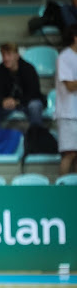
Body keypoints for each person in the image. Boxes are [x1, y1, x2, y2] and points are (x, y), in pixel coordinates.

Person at [0, 42, 44, 132]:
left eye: (8, 55)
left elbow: (34, 92)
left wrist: (17, 101)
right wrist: (3, 101)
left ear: (17, 55)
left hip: (25, 104)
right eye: (3, 55)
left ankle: (36, 137)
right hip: (6, 106)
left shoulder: (28, 69)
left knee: (35, 105)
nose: (5, 58)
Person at [56, 24, 77, 175]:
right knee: (69, 154)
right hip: (68, 113)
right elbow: (70, 85)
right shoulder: (64, 57)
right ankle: (62, 188)